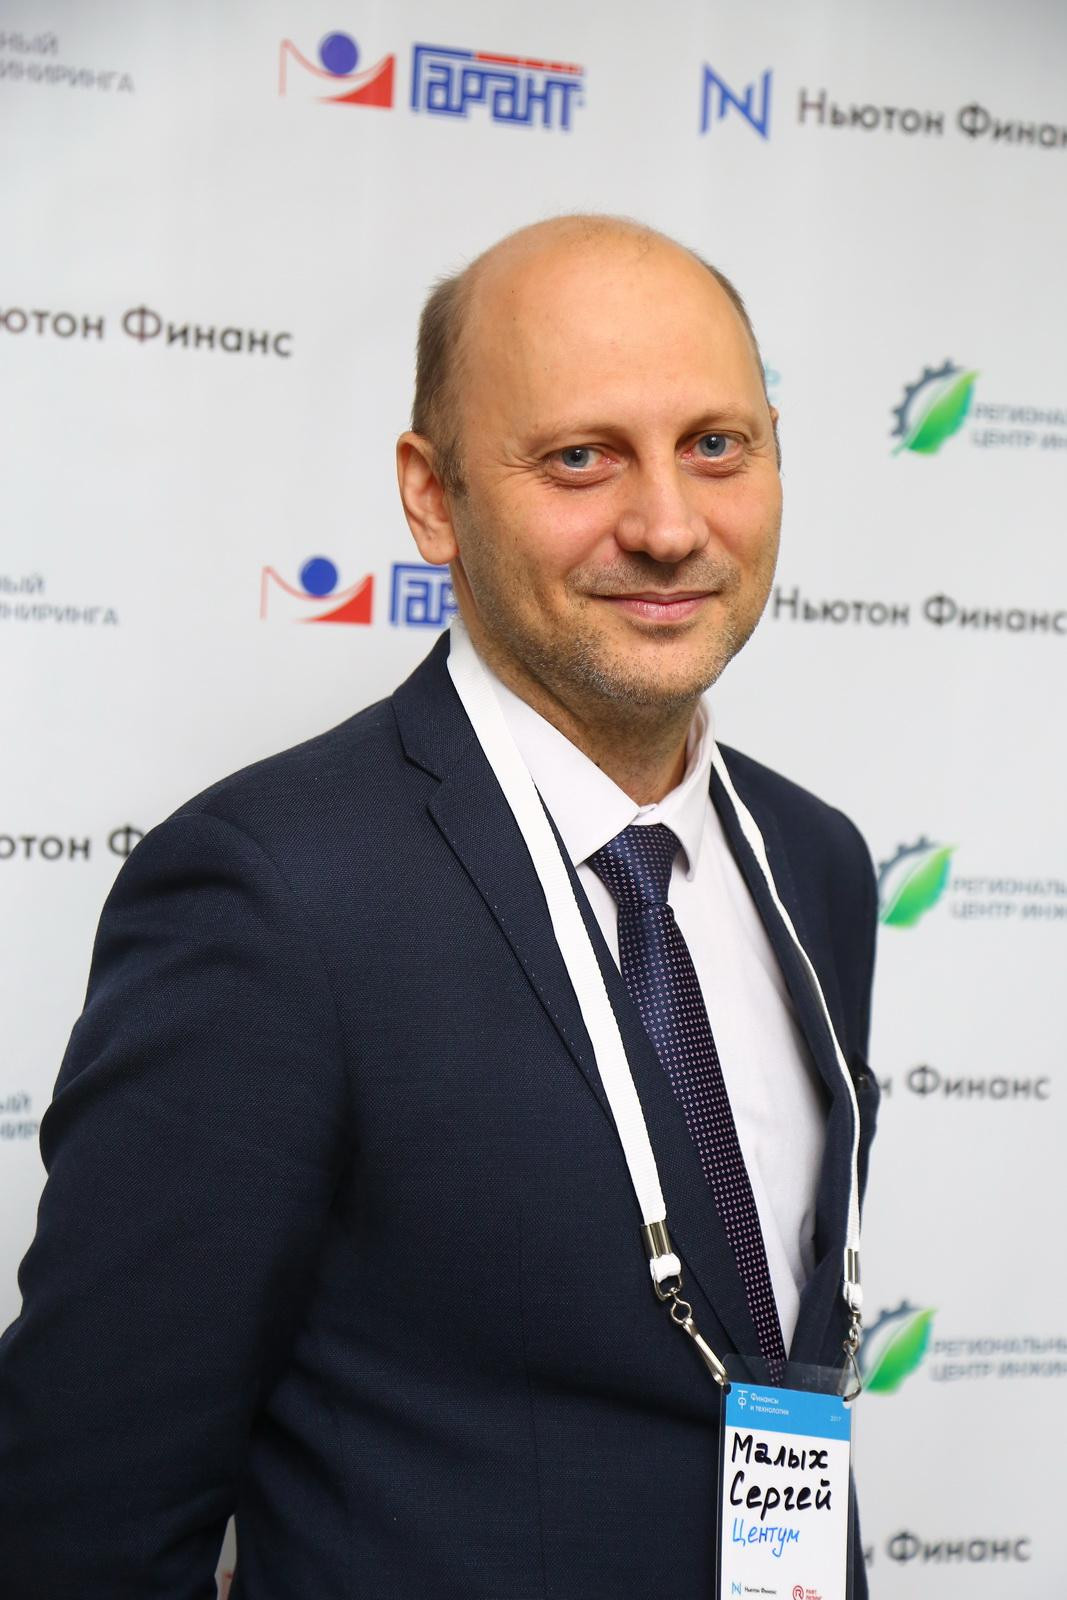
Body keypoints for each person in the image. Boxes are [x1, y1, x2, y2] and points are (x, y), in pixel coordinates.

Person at [0, 215, 879, 1598]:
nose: (667, 526)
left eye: (717, 445)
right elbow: (82, 1520)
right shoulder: (271, 895)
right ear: (432, 497)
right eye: (581, 458)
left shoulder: (815, 861)